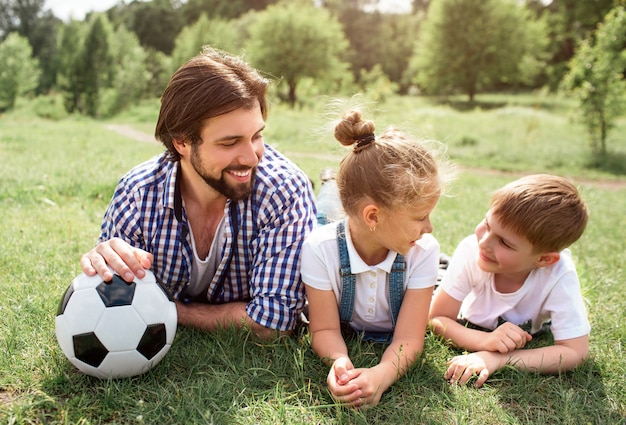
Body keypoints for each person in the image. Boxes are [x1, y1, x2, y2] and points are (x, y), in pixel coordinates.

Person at [80, 47, 317, 339]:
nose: (252, 157)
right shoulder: (138, 194)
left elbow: (273, 323)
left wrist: (168, 310)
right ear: (182, 142)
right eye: (230, 143)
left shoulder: (284, 191)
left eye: (256, 136)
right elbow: (112, 298)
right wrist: (105, 264)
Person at [301, 109, 452, 407]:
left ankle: (333, 187)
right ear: (374, 216)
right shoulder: (319, 248)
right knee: (320, 215)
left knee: (333, 209)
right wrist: (339, 363)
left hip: (359, 223)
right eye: (420, 217)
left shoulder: (424, 250)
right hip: (336, 230)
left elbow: (409, 338)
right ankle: (331, 185)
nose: (429, 228)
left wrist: (381, 374)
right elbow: (324, 329)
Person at [429, 174, 590, 388]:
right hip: (466, 308)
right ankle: (442, 265)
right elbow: (437, 317)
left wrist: (496, 358)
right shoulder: (471, 250)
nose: (484, 242)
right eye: (487, 224)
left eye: (505, 242)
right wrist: (485, 341)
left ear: (544, 259)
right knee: (430, 280)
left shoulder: (559, 275)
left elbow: (575, 351)